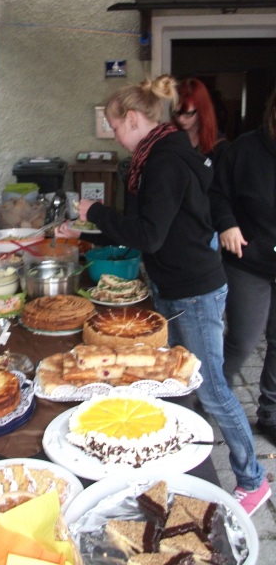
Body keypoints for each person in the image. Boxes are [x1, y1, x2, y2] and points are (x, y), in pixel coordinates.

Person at [57, 75, 270, 516]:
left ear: (134, 118)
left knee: (212, 389)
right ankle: (170, 463)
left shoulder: (165, 161)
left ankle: (252, 480)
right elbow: (142, 231)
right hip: (173, 285)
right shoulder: (152, 157)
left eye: (116, 125)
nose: (115, 134)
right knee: (171, 381)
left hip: (194, 291)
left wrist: (95, 210)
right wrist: (83, 232)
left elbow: (149, 236)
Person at [210, 87, 276, 443]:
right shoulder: (245, 150)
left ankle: (270, 413)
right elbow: (217, 194)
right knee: (242, 340)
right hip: (248, 262)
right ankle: (208, 400)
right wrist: (227, 224)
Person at [171, 77, 228, 170]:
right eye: (177, 113)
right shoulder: (171, 140)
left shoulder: (220, 147)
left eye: (188, 114)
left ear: (202, 111)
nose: (181, 119)